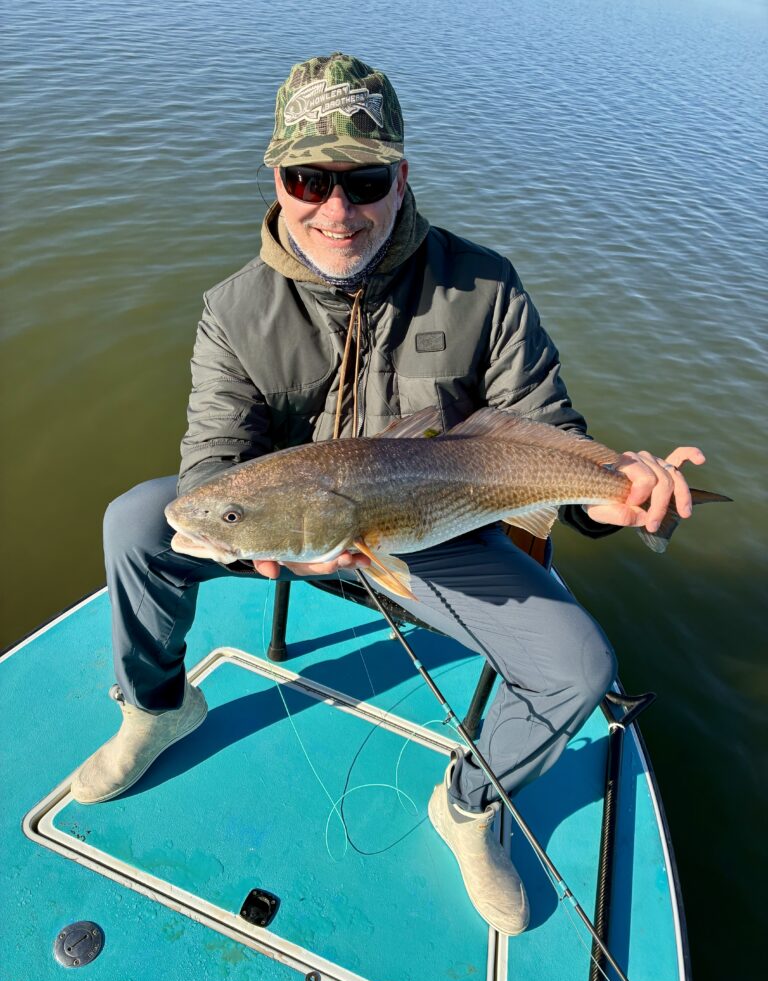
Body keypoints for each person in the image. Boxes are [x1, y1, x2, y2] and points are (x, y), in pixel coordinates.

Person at [71, 53, 705, 936]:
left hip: (437, 534)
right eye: (310, 179)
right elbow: (212, 471)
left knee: (579, 668)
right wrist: (267, 543)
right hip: (294, 527)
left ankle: (470, 803)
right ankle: (158, 710)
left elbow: (544, 434)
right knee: (144, 521)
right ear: (277, 180)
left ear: (401, 178)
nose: (337, 209)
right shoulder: (236, 311)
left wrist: (608, 499)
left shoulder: (483, 288)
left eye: (364, 180)